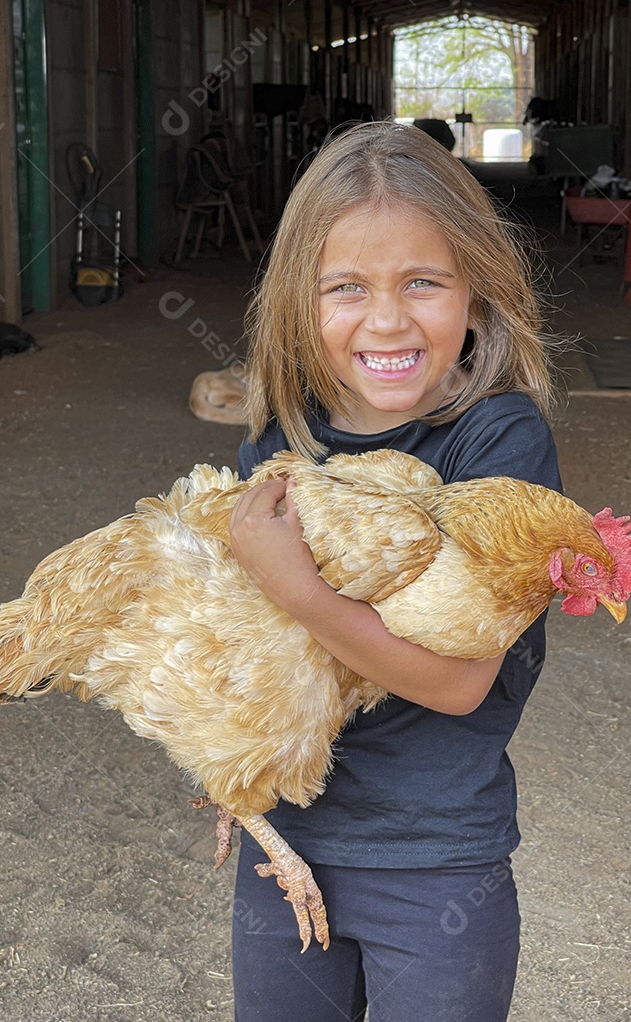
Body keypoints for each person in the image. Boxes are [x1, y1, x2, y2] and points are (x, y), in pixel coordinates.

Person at [227, 121, 561, 1022]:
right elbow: (243, 637)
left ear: (477, 300)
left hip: (436, 857)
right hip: (285, 845)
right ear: (302, 302)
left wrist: (293, 584)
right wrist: (222, 752)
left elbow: (460, 683)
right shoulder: (282, 437)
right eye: (346, 287)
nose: (386, 319)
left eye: (423, 282)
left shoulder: (498, 442)